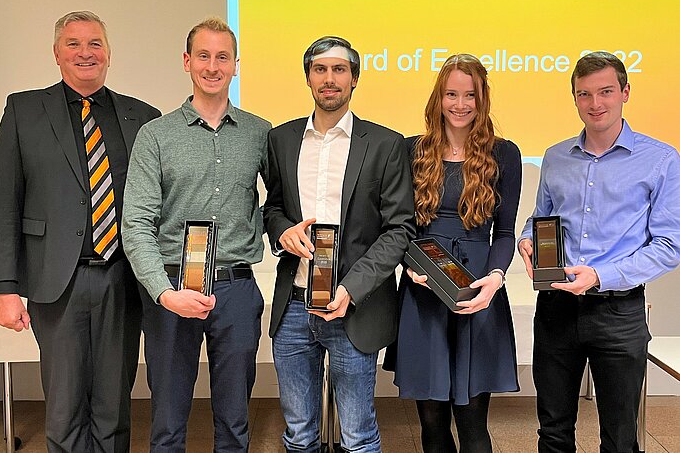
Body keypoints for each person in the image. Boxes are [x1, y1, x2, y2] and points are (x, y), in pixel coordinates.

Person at [0, 11, 160, 452]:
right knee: (63, 411)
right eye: (74, 44)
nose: (86, 53)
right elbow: (5, 202)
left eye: (95, 43)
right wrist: (3, 289)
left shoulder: (142, 117)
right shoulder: (23, 110)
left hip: (122, 279)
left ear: (109, 53)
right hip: (55, 283)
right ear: (56, 54)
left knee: (114, 410)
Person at [121, 17, 271, 453]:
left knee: (235, 420)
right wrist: (164, 293)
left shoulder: (260, 134)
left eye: (222, 57)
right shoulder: (155, 136)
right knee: (167, 422)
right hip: (171, 289)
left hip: (237, 289)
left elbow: (279, 204)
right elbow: (136, 224)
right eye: (202, 55)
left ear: (236, 65)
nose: (212, 66)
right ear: (187, 62)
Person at [518, 51, 680, 452]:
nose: (595, 104)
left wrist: (600, 275)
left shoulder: (661, 160)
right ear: (574, 98)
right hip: (556, 309)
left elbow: (669, 245)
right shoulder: (555, 156)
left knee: (620, 437)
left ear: (625, 92)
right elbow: (541, 218)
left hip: (619, 313)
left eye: (606, 92)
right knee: (553, 430)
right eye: (584, 94)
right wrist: (526, 239)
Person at [263, 36, 415, 452]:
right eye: (320, 69)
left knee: (358, 435)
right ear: (308, 77)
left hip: (353, 307)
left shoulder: (385, 144)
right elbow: (273, 207)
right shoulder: (281, 139)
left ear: (354, 79)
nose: (329, 79)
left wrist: (351, 288)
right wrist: (282, 230)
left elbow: (399, 229)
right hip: (294, 305)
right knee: (298, 434)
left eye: (339, 70)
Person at [389, 54, 522, 453]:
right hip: (423, 291)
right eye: (451, 94)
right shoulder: (412, 150)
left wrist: (495, 279)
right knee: (431, 420)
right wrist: (408, 265)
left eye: (470, 95)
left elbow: (504, 233)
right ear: (438, 98)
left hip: (479, 292)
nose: (460, 104)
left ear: (482, 100)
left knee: (472, 419)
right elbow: (400, 227)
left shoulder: (505, 154)